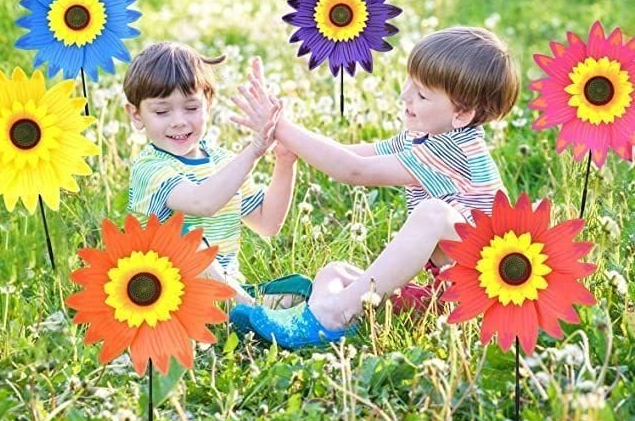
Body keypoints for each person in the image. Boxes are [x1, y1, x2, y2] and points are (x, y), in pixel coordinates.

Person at [230, 26, 520, 347]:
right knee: (333, 273)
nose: (404, 96)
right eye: (409, 82)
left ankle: (333, 315)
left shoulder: (453, 148)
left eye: (422, 94)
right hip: (446, 291)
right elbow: (349, 154)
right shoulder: (422, 137)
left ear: (462, 114)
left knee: (433, 214)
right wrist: (289, 144)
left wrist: (279, 126)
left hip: (493, 286)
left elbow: (355, 170)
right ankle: (313, 324)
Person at [124, 41, 311, 306]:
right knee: (186, 242)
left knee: (300, 289)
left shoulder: (224, 163)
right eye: (162, 111)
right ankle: (249, 311)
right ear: (136, 114)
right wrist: (254, 149)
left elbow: (268, 223)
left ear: (209, 104)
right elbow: (203, 203)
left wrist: (284, 161)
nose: (179, 120)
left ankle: (240, 306)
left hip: (225, 287)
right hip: (164, 293)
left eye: (191, 108)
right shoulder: (149, 167)